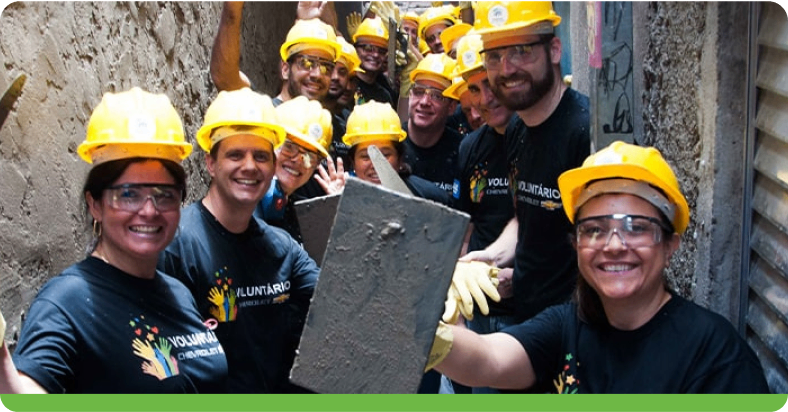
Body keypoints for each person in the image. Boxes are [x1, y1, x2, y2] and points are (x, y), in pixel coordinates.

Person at [430, 141, 771, 394]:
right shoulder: (568, 327)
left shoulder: (715, 355)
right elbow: (489, 359)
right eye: (594, 229)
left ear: (671, 245)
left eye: (636, 227)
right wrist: (428, 322)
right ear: (577, 246)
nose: (613, 245)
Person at [0, 87, 228, 393]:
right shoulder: (68, 301)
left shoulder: (178, 292)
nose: (149, 210)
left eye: (164, 195)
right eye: (128, 194)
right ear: (95, 204)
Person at [158, 88, 320, 393]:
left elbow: (334, 299)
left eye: (260, 156)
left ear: (272, 167)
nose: (249, 166)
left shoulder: (283, 250)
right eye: (235, 154)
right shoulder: (175, 245)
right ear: (210, 163)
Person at [454, 0, 591, 332]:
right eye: (494, 57)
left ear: (555, 50)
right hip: (526, 322)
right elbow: (524, 216)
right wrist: (491, 257)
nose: (507, 68)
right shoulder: (516, 129)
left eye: (522, 50)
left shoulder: (585, 133)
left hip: (574, 329)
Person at [317, 100, 447, 206]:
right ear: (353, 162)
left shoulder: (431, 199)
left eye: (385, 155)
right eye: (366, 156)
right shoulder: (341, 196)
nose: (376, 164)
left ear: (400, 159)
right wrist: (338, 205)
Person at [254, 95, 339, 244]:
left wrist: (338, 213)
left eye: (309, 156)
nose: (298, 160)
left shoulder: (302, 216)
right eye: (289, 147)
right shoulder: (240, 202)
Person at [402, 52, 462, 197]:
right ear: (410, 96)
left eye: (436, 96)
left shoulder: (462, 151)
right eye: (418, 92)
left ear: (451, 107)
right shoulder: (392, 145)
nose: (424, 102)